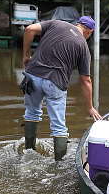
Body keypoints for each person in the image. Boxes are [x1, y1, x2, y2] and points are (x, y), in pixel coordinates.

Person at [21, 16, 103, 161]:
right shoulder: (83, 46)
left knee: (31, 114)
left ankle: (28, 152)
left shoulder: (56, 24)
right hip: (55, 82)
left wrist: (26, 55)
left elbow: (29, 29)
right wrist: (90, 107)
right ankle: (59, 164)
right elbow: (86, 80)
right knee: (58, 125)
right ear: (89, 32)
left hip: (32, 76)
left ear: (77, 23)